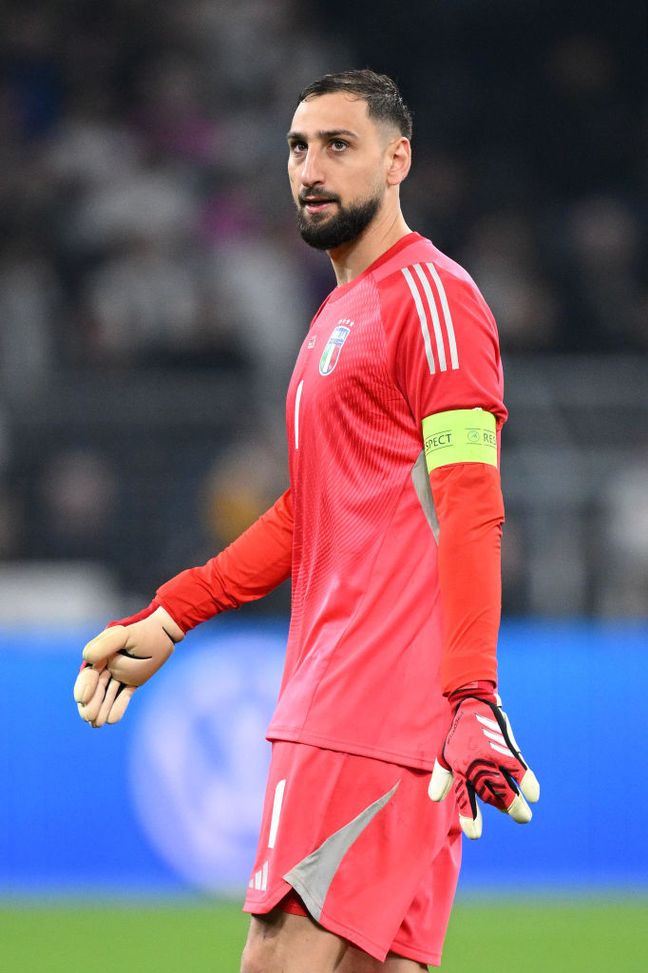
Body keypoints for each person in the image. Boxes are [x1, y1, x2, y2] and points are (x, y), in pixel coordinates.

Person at [73, 70, 539, 972]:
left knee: (279, 957)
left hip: (366, 710)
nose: (310, 169)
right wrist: (172, 612)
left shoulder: (430, 298)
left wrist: (473, 694)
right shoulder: (339, 312)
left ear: (398, 159)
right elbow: (311, 510)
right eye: (297, 148)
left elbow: (472, 501)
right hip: (379, 712)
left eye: (338, 146)